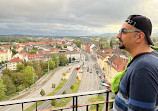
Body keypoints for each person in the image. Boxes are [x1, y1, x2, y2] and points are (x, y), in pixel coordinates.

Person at [113, 15, 158, 111]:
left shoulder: (143, 68)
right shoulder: (152, 56)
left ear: (139, 36)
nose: (118, 36)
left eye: (123, 32)